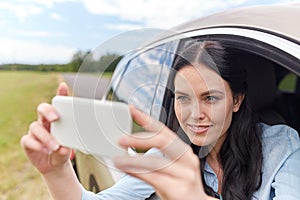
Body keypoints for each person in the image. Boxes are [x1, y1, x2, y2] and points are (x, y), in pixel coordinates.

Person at [21, 41, 300, 200]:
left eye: (210, 98)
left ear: (236, 100)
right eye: (183, 98)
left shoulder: (281, 147)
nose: (194, 115)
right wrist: (55, 172)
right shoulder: (168, 155)